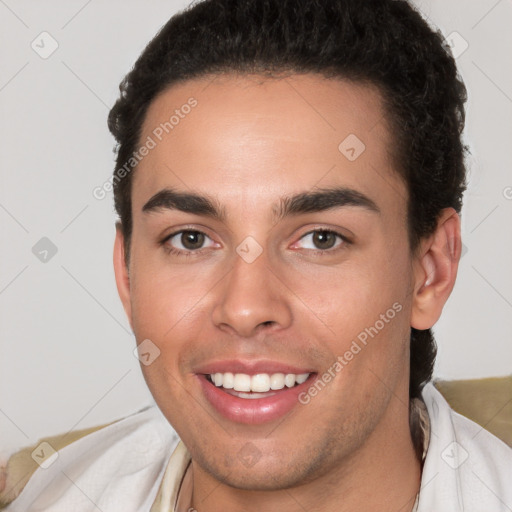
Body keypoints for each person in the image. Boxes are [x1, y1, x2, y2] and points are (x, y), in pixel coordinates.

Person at [2, 0, 511, 510]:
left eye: (321, 239)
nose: (245, 309)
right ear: (127, 275)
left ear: (430, 273)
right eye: (191, 239)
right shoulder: (44, 493)